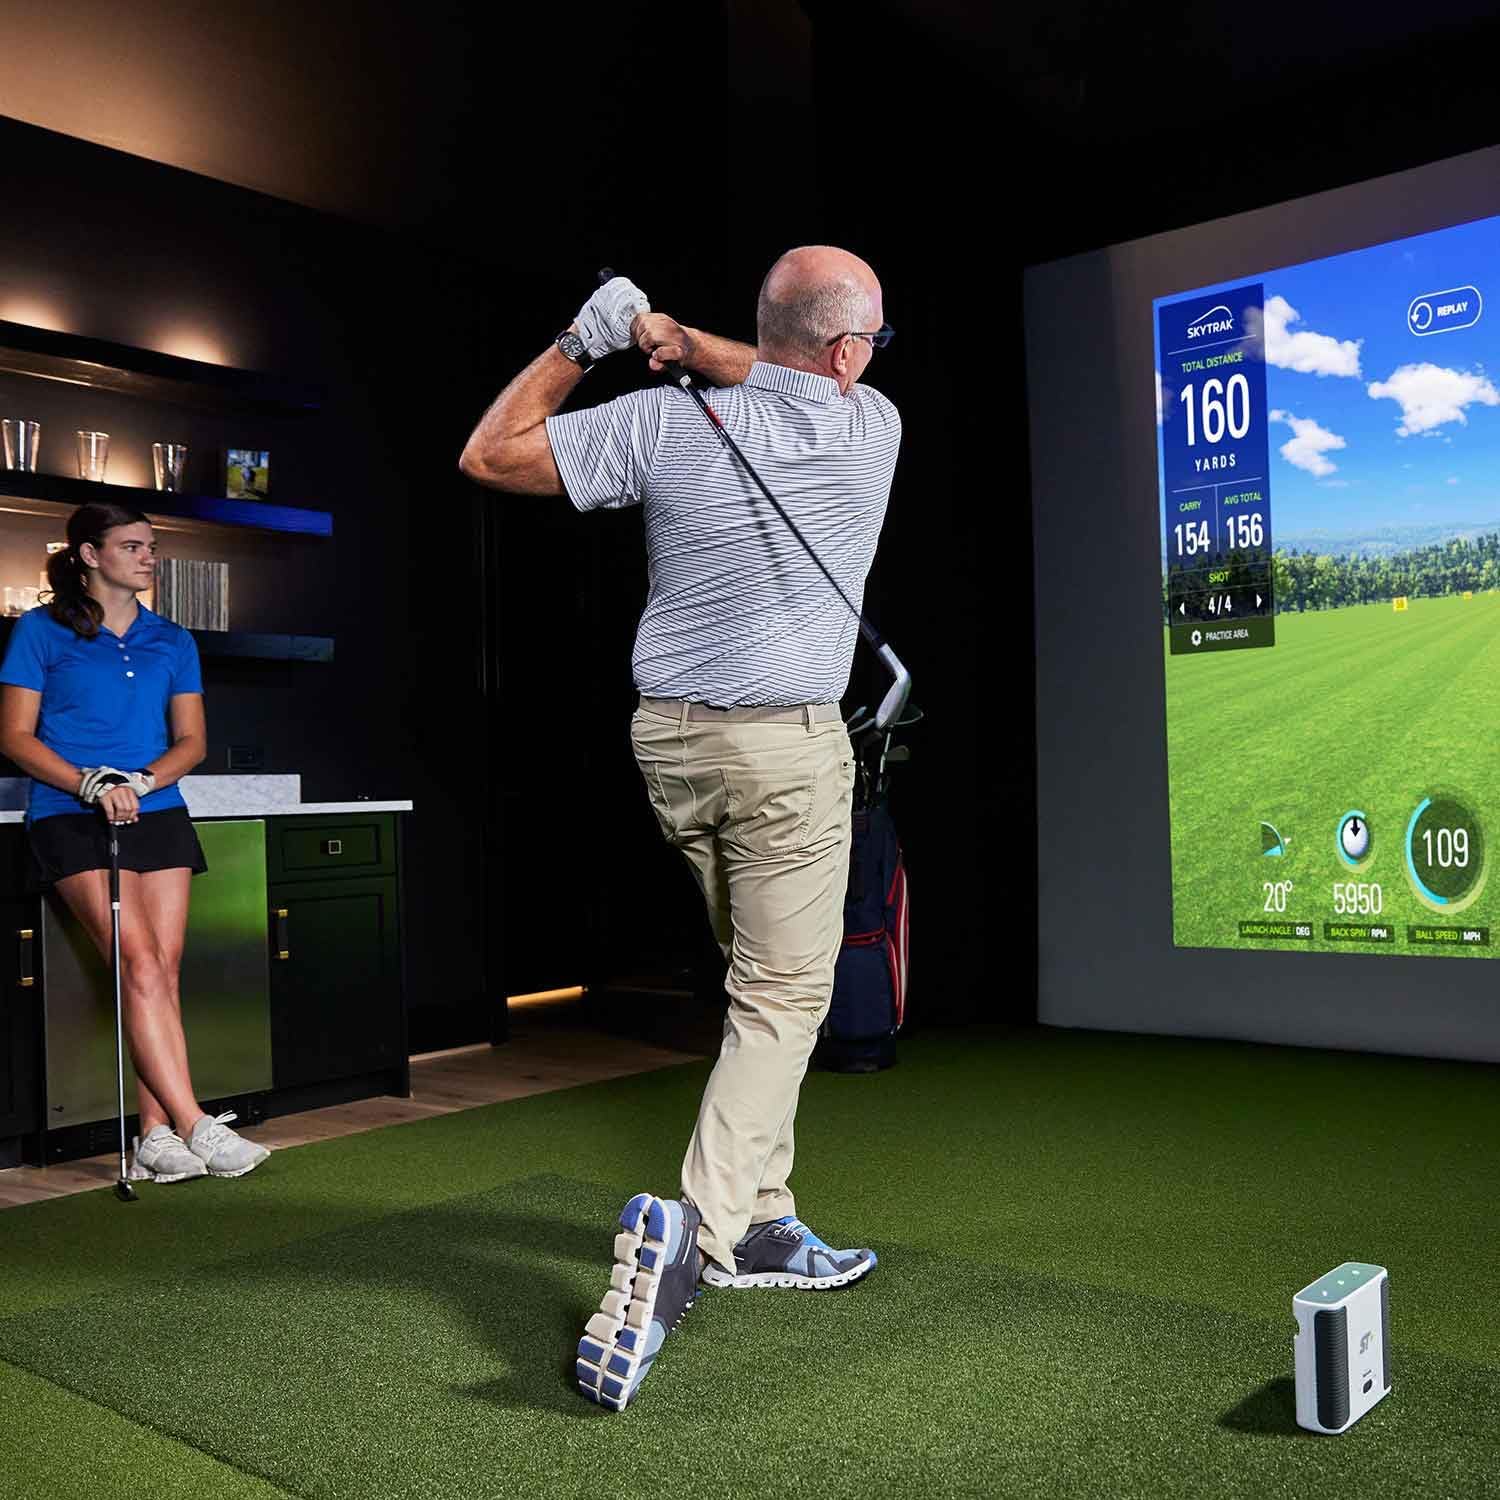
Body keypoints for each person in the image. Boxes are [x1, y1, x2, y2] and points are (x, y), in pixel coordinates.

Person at [460, 246, 901, 1409]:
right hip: (786, 751)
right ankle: (695, 1238)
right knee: (784, 998)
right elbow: (791, 373)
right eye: (870, 341)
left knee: (759, 984)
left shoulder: (660, 421)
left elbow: (490, 453)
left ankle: (766, 1221)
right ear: (847, 354)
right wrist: (689, 342)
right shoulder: (872, 426)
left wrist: (587, 340)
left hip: (672, 748)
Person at [0, 501, 269, 1183]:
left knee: (160, 972)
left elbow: (192, 742)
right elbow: (15, 737)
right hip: (70, 814)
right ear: (89, 555)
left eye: (151, 546)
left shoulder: (171, 639)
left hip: (159, 811)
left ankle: (155, 1135)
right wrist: (89, 782)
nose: (149, 557)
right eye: (132, 546)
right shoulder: (40, 630)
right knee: (139, 962)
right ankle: (196, 1122)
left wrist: (142, 781)